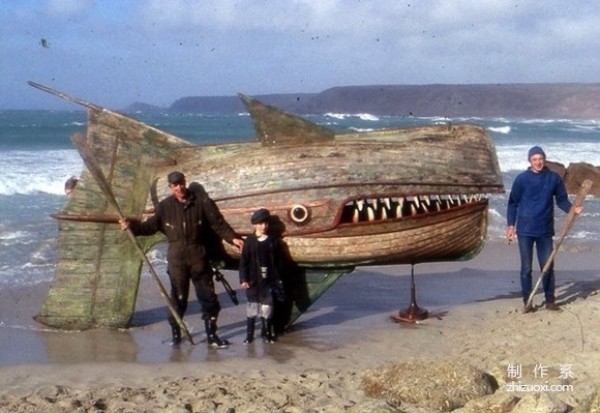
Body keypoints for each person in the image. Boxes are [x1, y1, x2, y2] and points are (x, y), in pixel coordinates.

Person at [120, 171, 244, 347]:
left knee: (208, 298)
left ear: (184, 183)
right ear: (170, 187)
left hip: (199, 257)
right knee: (179, 298)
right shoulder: (165, 207)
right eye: (175, 185)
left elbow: (218, 224)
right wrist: (132, 227)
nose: (179, 187)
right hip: (177, 260)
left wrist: (233, 238)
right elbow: (150, 227)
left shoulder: (201, 202)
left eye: (181, 183)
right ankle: (176, 335)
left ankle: (212, 335)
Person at [506, 146, 583, 313]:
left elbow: (562, 200)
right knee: (526, 268)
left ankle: (550, 301)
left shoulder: (553, 178)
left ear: (544, 159)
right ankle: (528, 302)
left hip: (545, 230)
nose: (538, 162)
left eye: (540, 159)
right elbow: (512, 203)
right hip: (525, 230)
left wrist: (572, 209)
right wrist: (510, 226)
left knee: (547, 266)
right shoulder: (521, 179)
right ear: (530, 161)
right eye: (534, 159)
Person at [239, 208, 284, 344]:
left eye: (266, 223)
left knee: (267, 308)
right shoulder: (249, 241)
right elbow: (243, 262)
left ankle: (267, 333)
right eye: (260, 224)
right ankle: (249, 335)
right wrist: (243, 279)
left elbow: (278, 261)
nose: (264, 226)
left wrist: (278, 278)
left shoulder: (273, 241)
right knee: (252, 308)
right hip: (253, 280)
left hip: (268, 280)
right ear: (255, 225)